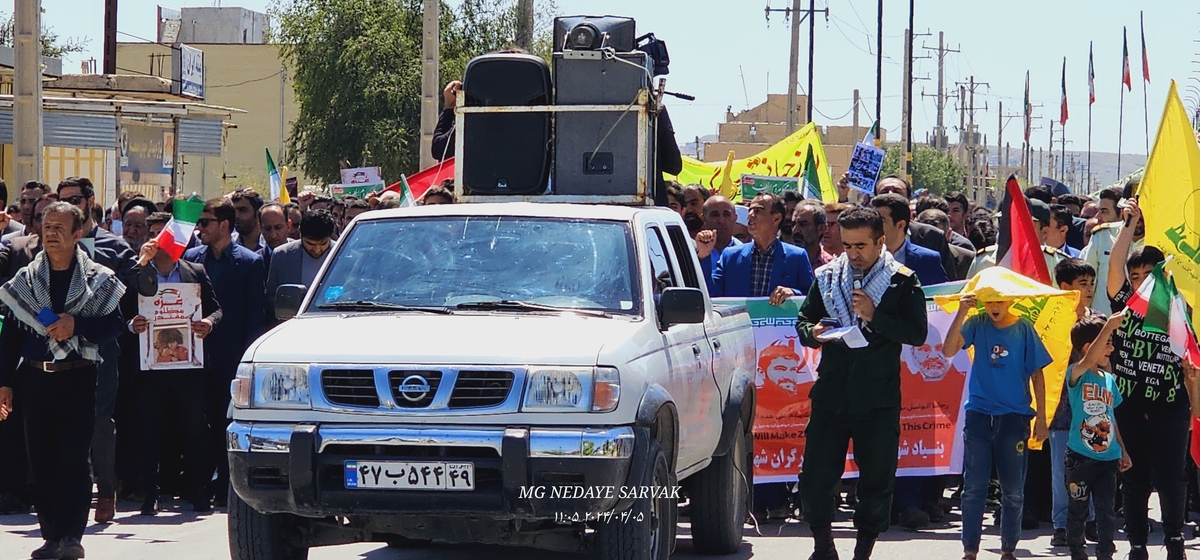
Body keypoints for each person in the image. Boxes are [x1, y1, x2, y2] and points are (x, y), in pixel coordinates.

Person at [795, 205, 928, 560]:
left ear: (880, 242)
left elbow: (917, 333)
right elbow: (805, 320)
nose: (853, 254)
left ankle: (863, 551)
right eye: (847, 245)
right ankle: (823, 546)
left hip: (878, 399)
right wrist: (815, 333)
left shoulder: (901, 280)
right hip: (831, 396)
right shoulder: (827, 277)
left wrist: (875, 315)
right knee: (815, 478)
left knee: (876, 480)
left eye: (861, 246)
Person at [0, 202, 126, 560]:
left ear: (78, 234)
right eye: (46, 225)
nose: (51, 233)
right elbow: (11, 331)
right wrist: (3, 380)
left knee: (73, 460)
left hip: (78, 377)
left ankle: (72, 536)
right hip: (35, 380)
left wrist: (77, 325)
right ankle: (51, 536)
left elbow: (114, 325)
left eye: (59, 227)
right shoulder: (26, 279)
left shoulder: (98, 280)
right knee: (40, 462)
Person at [1104, 199, 1189, 560]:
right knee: (1134, 479)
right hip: (1130, 405)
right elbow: (1113, 264)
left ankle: (1174, 540)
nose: (1139, 283)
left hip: (1172, 406)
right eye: (1135, 276)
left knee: (1171, 480)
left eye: (1147, 276)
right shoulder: (1124, 304)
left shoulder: (1180, 306)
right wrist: (1130, 222)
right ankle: (1137, 544)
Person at [943, 289, 1052, 560]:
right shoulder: (976, 322)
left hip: (1014, 417)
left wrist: (1041, 417)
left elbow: (1037, 373)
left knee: (1013, 490)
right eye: (989, 300)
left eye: (999, 300)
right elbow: (948, 350)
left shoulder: (1024, 327)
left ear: (1010, 300)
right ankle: (970, 549)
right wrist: (962, 312)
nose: (994, 306)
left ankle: (1008, 549)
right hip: (979, 414)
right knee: (974, 488)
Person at [58, 177, 139, 524]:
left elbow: (135, 292)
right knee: (61, 424)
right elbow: (29, 295)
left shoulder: (114, 246)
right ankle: (66, 495)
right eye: (61, 201)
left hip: (101, 349)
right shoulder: (51, 244)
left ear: (90, 201)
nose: (68, 206)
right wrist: (51, 322)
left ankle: (105, 492)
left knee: (100, 424)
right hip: (58, 349)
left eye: (74, 199)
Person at [130, 212, 222, 515]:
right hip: (150, 368)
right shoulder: (139, 271)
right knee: (147, 430)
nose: (160, 242)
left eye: (166, 237)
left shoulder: (194, 271)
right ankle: (149, 494)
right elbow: (119, 311)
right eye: (154, 236)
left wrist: (208, 322)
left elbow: (216, 309)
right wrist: (134, 325)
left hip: (188, 367)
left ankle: (197, 491)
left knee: (195, 430)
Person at [183, 198, 266, 506]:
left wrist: (247, 361)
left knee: (224, 423)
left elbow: (254, 316)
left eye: (206, 222)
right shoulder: (191, 258)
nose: (199, 228)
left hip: (230, 358)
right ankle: (197, 486)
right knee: (195, 425)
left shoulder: (249, 262)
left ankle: (226, 486)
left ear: (224, 226)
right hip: (193, 356)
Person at [1063, 313, 1133, 560]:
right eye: (1107, 343)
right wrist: (1108, 326)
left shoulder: (1109, 379)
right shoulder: (1077, 373)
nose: (1111, 348)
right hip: (1079, 458)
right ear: (1088, 346)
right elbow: (1089, 358)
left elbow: (1111, 418)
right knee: (1078, 509)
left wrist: (1122, 449)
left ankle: (1105, 553)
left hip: (1108, 458)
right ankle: (1077, 551)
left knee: (1106, 511)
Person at [1048, 258, 1100, 548]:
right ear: (1065, 287)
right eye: (1083, 284)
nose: (1090, 289)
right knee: (1061, 471)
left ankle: (1090, 519)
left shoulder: (1097, 320)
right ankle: (1061, 523)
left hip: (1093, 409)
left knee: (1093, 466)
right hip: (1061, 410)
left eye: (1091, 283)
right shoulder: (1054, 321)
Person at [707, 193, 814, 302]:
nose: (750, 215)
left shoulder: (796, 257)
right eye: (750, 210)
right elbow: (711, 293)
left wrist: (793, 293)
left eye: (758, 211)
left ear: (776, 219)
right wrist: (704, 255)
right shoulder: (730, 256)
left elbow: (811, 298)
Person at [967, 198, 1066, 280]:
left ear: (1044, 232)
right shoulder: (983, 261)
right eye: (1005, 221)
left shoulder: (1055, 263)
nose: (1011, 227)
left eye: (1021, 223)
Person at [265, 210, 336, 322]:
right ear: (301, 235)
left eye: (322, 244)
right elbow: (270, 297)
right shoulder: (282, 255)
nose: (317, 250)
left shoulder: (345, 255)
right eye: (311, 244)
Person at [1082, 184, 1142, 315]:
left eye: (1142, 210)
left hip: (1142, 328)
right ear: (1122, 210)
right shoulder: (1102, 236)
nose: (1137, 216)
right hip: (1103, 324)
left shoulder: (1160, 242)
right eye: (1132, 209)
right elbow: (1085, 281)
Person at [870, 193, 949, 285]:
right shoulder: (857, 256)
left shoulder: (927, 260)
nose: (873, 226)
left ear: (900, 225)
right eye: (872, 220)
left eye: (881, 221)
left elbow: (941, 294)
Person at [916, 209, 972, 281]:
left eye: (938, 237)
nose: (932, 242)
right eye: (927, 237)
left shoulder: (967, 259)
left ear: (949, 234)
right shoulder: (905, 256)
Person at [694, 196, 741, 279]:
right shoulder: (692, 251)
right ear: (703, 219)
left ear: (735, 218)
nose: (721, 220)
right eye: (715, 215)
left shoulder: (745, 253)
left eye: (726, 215)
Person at [230, 187, 271, 269]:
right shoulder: (228, 244)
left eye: (242, 210)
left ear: (257, 213)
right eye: (234, 211)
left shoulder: (271, 242)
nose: (236, 216)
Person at [792, 199, 834, 270]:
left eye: (803, 224)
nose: (795, 231)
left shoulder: (831, 267)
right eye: (793, 224)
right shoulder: (782, 263)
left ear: (821, 229)